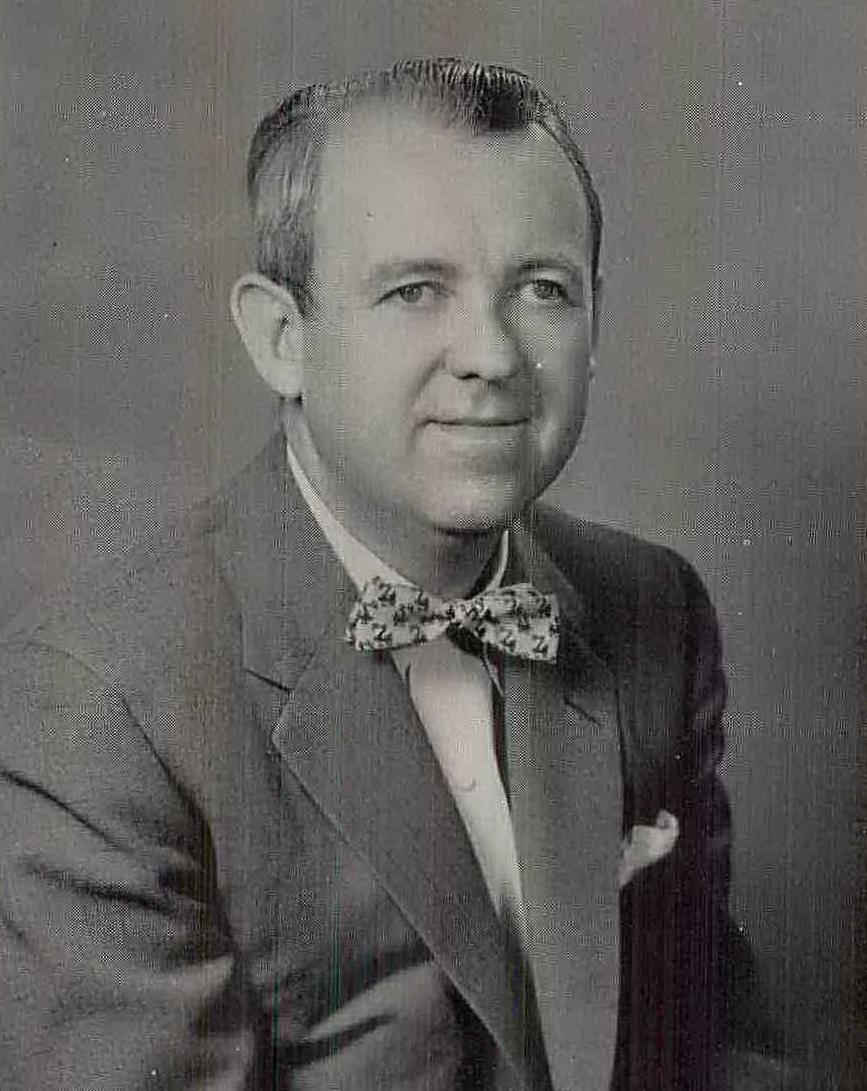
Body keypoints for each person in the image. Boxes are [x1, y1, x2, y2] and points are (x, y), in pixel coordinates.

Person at [0, 59, 731, 1090]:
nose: (491, 354)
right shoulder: (99, 710)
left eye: (543, 289)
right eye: (414, 290)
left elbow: (717, 1047)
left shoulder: (657, 607)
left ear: (595, 322)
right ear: (282, 339)